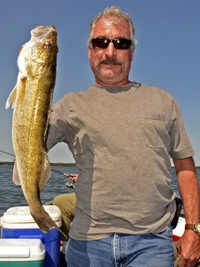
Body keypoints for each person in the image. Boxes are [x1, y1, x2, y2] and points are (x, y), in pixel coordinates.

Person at [46, 6, 200, 267]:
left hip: (152, 242)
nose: (110, 51)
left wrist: (193, 229)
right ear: (89, 50)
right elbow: (30, 140)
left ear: (131, 51)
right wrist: (30, 78)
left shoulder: (163, 100)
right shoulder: (69, 106)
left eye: (121, 43)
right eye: (100, 42)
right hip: (87, 243)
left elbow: (185, 167)